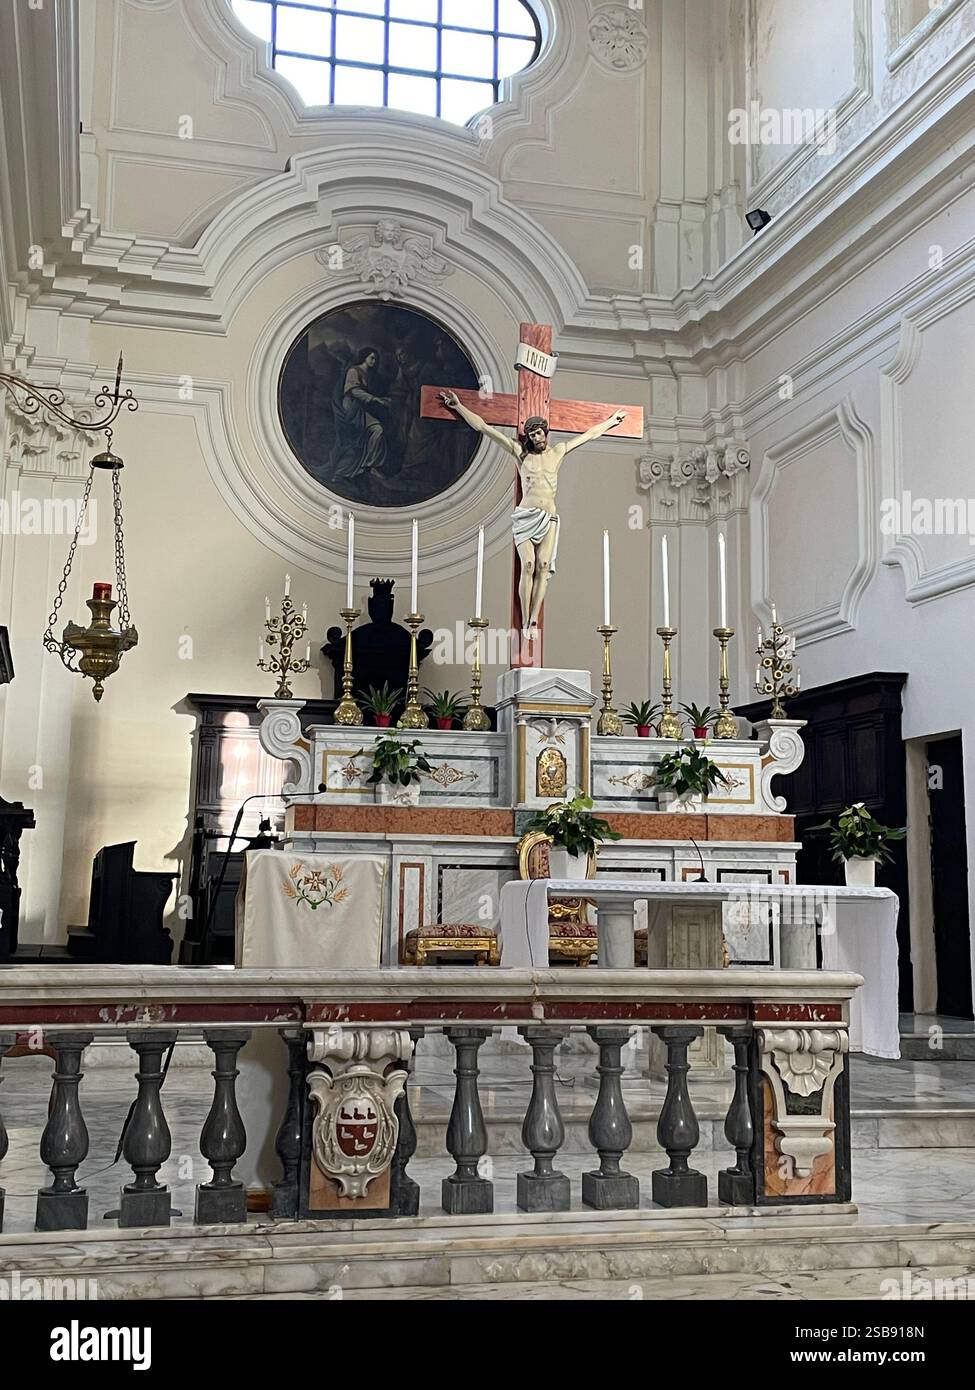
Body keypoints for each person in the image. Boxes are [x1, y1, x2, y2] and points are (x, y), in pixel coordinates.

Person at [440, 391, 626, 639]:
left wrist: (611, 421)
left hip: (549, 517)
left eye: (539, 433)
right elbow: (484, 428)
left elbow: (588, 435)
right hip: (526, 517)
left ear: (545, 433)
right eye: (531, 434)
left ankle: (531, 620)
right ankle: (525, 617)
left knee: (544, 565)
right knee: (527, 565)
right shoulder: (521, 454)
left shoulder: (557, 452)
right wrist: (460, 407)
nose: (536, 437)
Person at [327, 346, 390, 481]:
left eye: (376, 359)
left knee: (377, 430)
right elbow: (353, 390)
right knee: (362, 436)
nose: (374, 361)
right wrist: (375, 399)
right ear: (364, 357)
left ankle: (370, 465)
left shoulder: (370, 374)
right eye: (372, 358)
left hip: (360, 408)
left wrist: (382, 399)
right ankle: (343, 472)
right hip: (351, 408)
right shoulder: (353, 370)